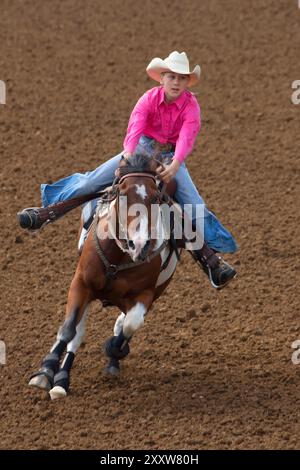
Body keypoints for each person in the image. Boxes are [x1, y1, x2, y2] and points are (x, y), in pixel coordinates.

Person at [19, 51, 238, 289]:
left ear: (187, 82)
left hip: (169, 157)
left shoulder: (191, 106)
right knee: (91, 183)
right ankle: (46, 213)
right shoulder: (148, 99)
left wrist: (175, 165)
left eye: (181, 78)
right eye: (172, 77)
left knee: (195, 207)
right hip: (139, 151)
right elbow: (135, 128)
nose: (176, 82)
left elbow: (187, 136)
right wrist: (127, 157)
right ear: (162, 79)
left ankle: (212, 263)